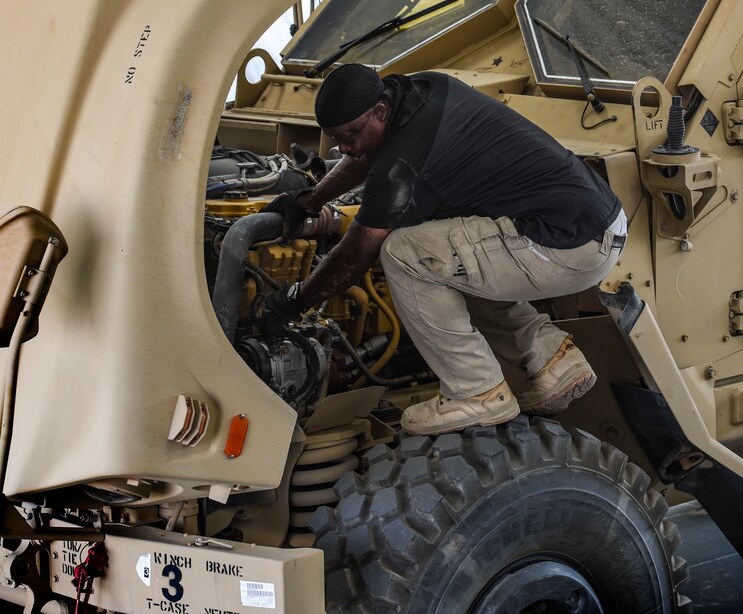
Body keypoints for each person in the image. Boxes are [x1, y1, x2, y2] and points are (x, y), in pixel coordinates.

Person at [260, 64, 626, 435]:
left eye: (350, 134)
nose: (344, 147)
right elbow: (365, 154)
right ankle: (552, 358)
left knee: (405, 253)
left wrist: (296, 301)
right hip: (595, 225)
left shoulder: (400, 166)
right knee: (450, 262)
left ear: (381, 112)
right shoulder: (424, 86)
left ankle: (476, 391)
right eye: (337, 139)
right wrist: (310, 200)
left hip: (566, 244)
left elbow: (357, 254)